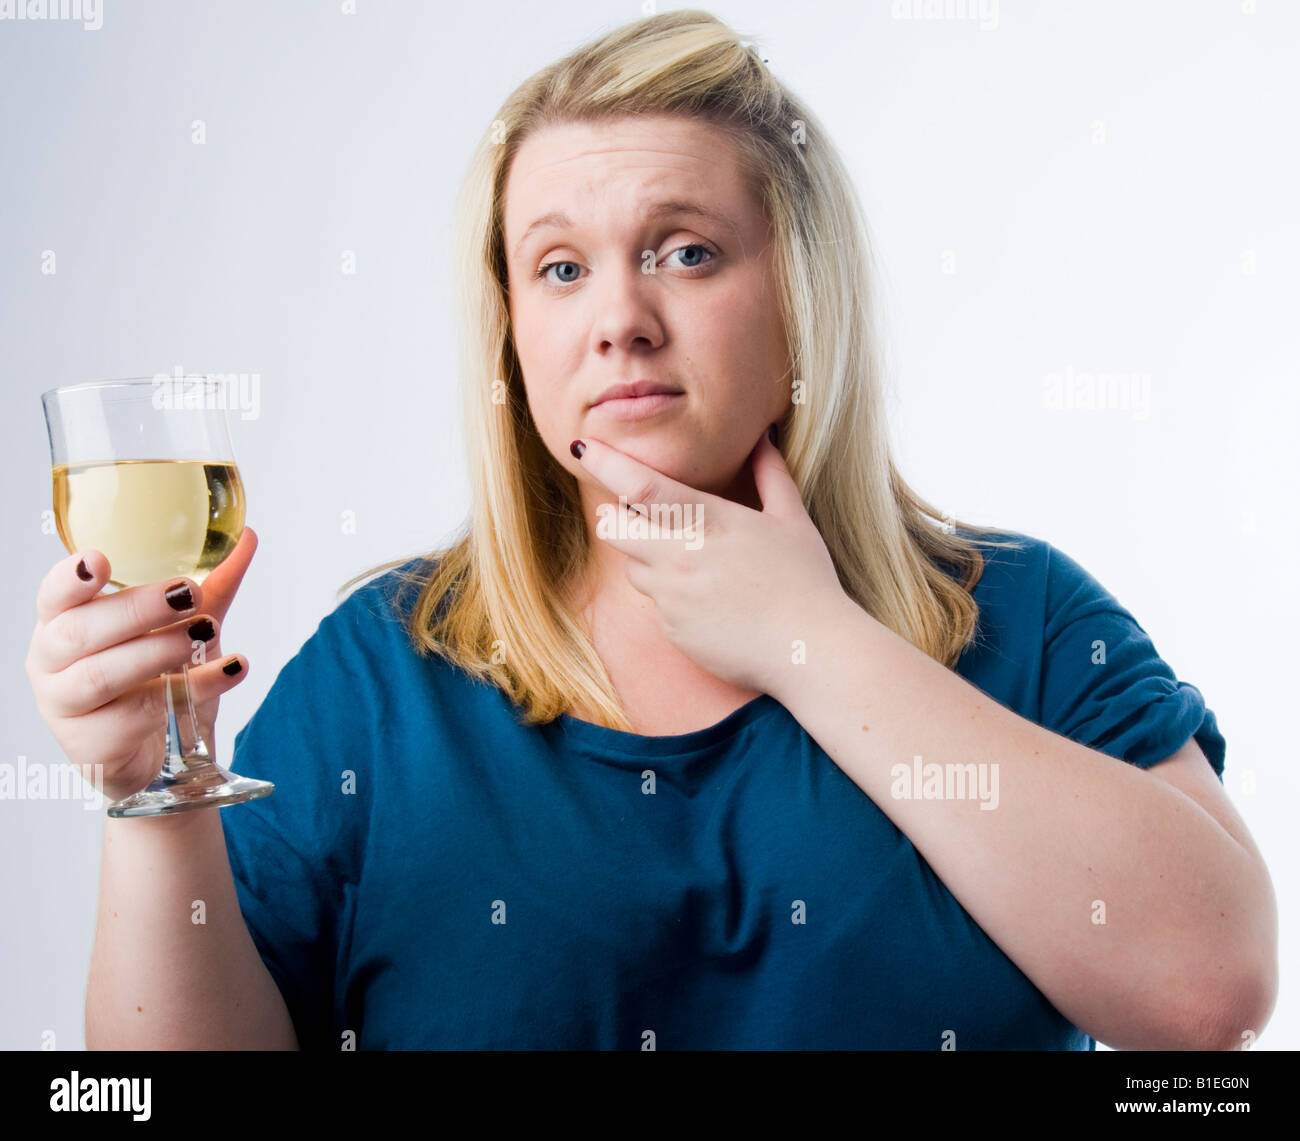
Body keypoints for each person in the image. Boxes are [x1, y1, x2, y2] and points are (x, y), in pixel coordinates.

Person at [29, 10, 1276, 1051]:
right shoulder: (382, 672)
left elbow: (1208, 990)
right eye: (560, 268)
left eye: (685, 251)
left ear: (798, 292)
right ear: (511, 332)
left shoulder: (1025, 617)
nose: (618, 317)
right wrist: (150, 795)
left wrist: (808, 639)